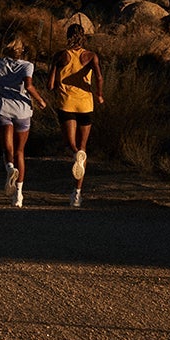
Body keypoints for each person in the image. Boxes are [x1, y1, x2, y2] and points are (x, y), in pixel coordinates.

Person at [0, 35, 48, 208]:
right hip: (22, 111)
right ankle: (18, 194)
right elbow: (28, 86)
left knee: (7, 148)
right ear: (23, 51)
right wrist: (40, 100)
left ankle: (10, 168)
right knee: (20, 151)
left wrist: (0, 81)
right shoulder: (28, 66)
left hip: (3, 108)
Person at [50, 23, 105, 207]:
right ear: (83, 36)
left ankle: (75, 154)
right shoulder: (91, 56)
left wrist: (55, 80)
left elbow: (50, 85)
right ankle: (77, 194)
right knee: (83, 147)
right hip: (86, 104)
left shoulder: (61, 55)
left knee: (70, 143)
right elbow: (99, 77)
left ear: (67, 35)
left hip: (66, 104)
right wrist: (99, 94)